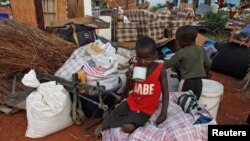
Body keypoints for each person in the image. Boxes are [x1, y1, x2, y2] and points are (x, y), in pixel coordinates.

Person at [102, 36, 169, 133]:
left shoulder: (159, 69)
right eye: (139, 58)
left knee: (127, 128)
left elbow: (166, 91)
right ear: (136, 55)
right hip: (132, 102)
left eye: (147, 59)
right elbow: (130, 87)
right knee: (106, 124)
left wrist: (163, 113)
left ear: (155, 55)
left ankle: (128, 120)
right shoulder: (135, 66)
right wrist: (129, 78)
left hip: (146, 108)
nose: (142, 62)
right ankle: (120, 120)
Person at [165, 25, 212, 100]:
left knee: (182, 101)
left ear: (187, 41)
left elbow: (168, 64)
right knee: (194, 102)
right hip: (199, 83)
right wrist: (205, 71)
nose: (177, 43)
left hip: (186, 83)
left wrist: (157, 64)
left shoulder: (182, 52)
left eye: (178, 41)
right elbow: (208, 63)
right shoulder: (201, 49)